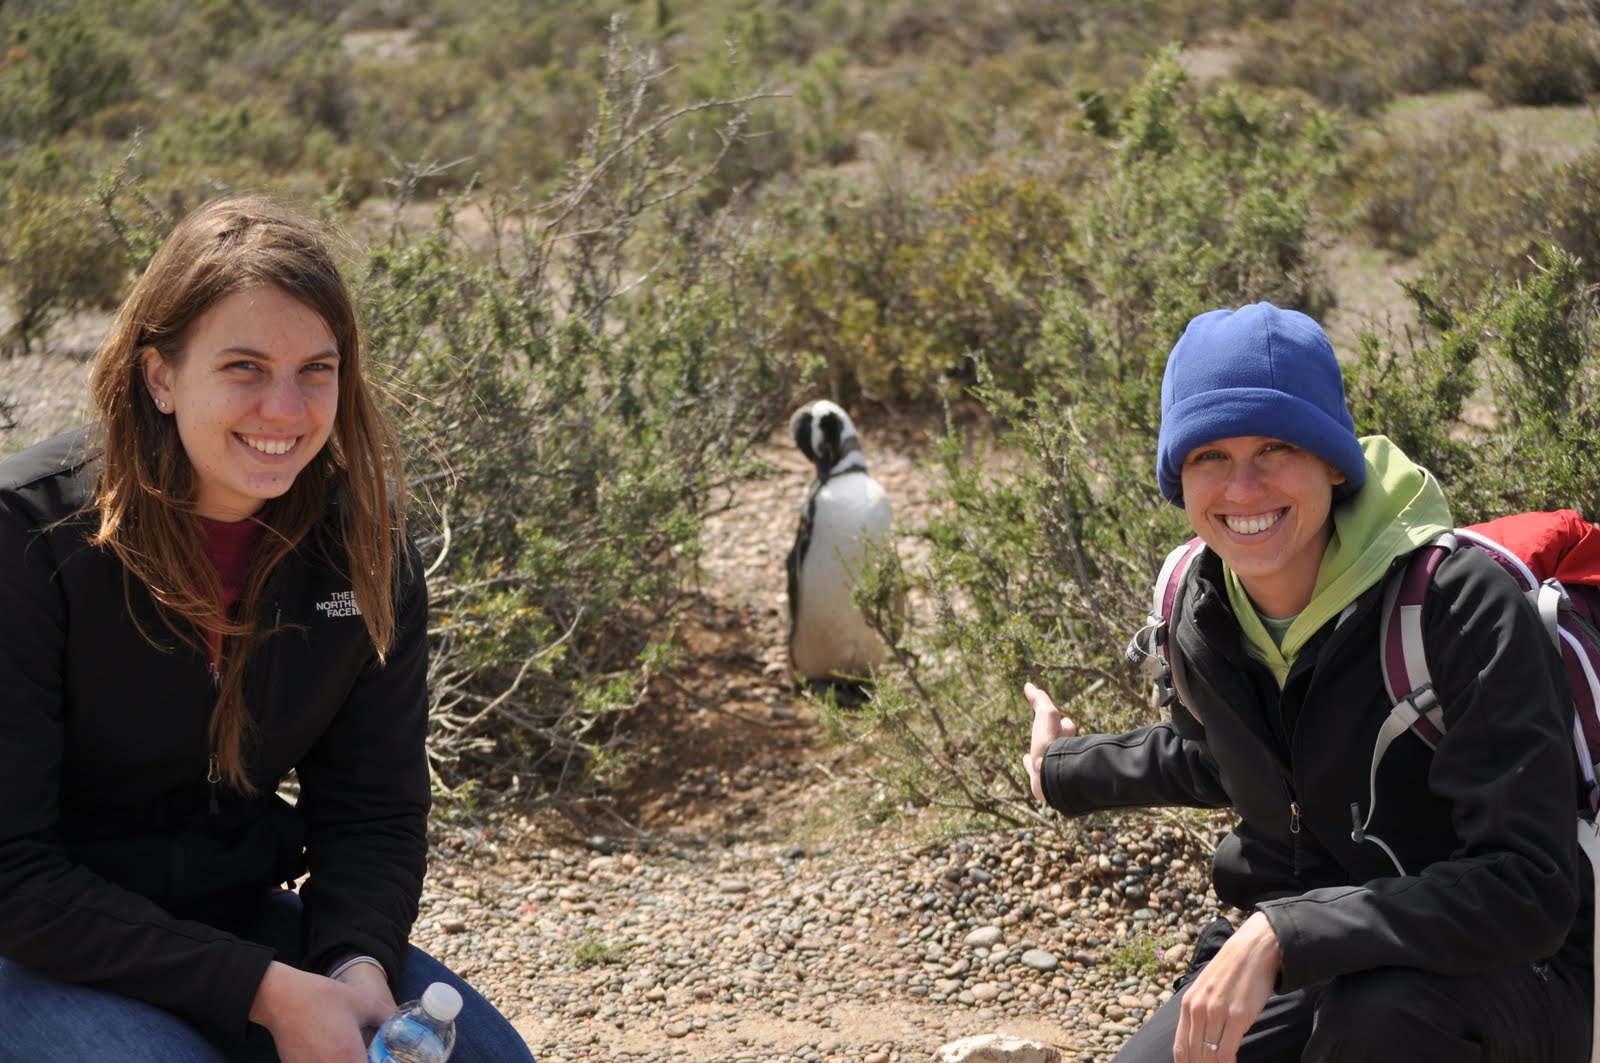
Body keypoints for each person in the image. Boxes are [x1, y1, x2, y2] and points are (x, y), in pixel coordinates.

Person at [0, 196, 536, 1062]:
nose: (285, 409)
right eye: (245, 366)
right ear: (160, 376)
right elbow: (10, 872)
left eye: (316, 369)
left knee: (481, 1057)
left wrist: (357, 963)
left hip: (230, 916)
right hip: (36, 940)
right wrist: (264, 991)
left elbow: (373, 811)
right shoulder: (26, 535)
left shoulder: (363, 545)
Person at [1021, 302, 1592, 1062]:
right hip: (1310, 959)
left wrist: (1284, 932)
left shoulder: (1454, 604)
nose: (1243, 487)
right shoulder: (1200, 604)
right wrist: (1062, 768)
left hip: (1501, 972)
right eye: (1209, 455)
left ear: (1334, 461)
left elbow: (1530, 885)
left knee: (1378, 1022)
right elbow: (1229, 756)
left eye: (1277, 445)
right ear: (1177, 478)